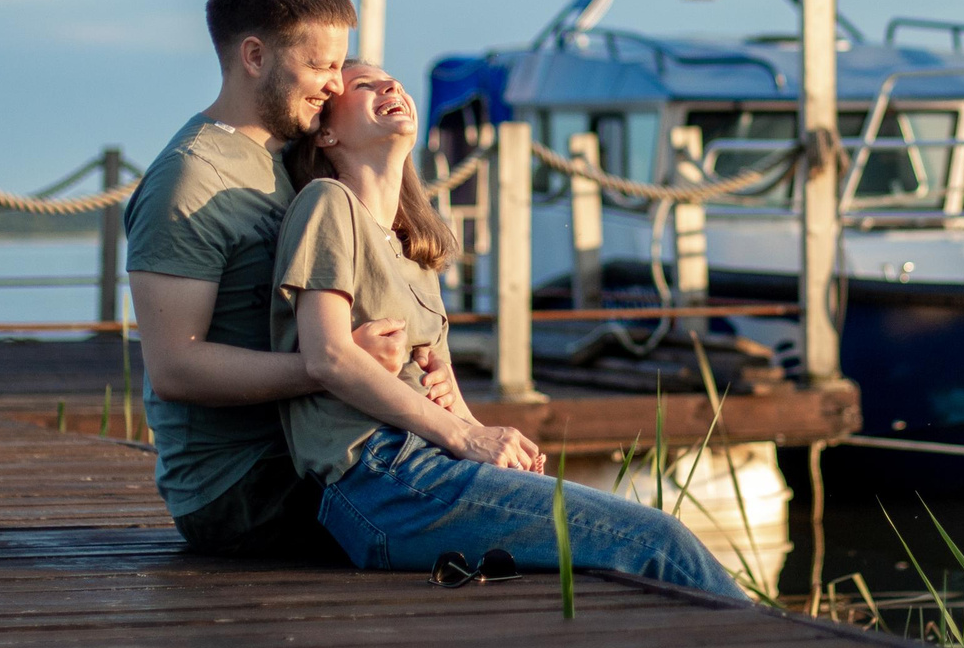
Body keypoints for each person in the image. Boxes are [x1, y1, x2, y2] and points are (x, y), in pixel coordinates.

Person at [272, 58, 745, 596]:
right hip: (381, 480)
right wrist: (469, 436)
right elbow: (327, 355)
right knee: (658, 540)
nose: (390, 86)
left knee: (629, 551)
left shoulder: (412, 246)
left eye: (392, 79)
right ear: (328, 132)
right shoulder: (328, 203)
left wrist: (491, 442)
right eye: (364, 85)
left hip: (422, 467)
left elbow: (439, 390)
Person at [127, 0, 448, 560]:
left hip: (324, 451)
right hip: (244, 487)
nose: (335, 83)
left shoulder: (289, 162)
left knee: (514, 497)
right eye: (321, 65)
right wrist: (334, 362)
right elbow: (174, 368)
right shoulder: (190, 180)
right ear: (254, 56)